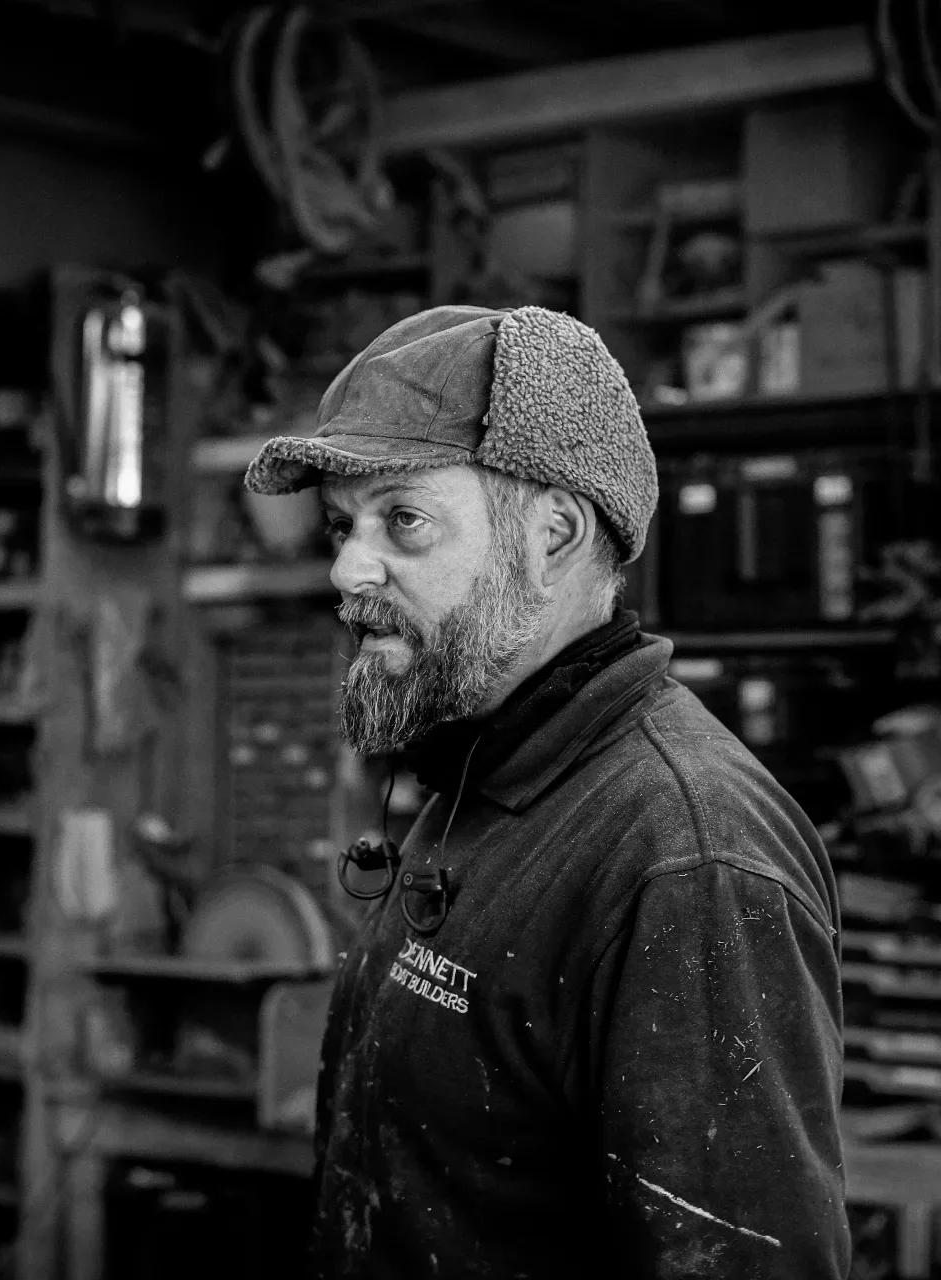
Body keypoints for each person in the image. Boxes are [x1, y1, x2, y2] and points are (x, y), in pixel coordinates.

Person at [245, 305, 849, 1280]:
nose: (347, 569)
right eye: (341, 526)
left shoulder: (687, 855)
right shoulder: (483, 768)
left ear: (554, 532)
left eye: (402, 517)